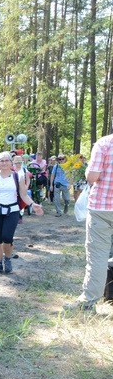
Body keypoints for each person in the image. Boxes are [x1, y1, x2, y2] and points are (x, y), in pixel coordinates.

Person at [64, 134, 113, 312]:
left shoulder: (104, 144)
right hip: (103, 208)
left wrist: (86, 172)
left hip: (103, 207)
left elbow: (92, 177)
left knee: (98, 256)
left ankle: (88, 302)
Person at [0, 151, 44, 274]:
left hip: (12, 210)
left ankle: (7, 258)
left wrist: (32, 204)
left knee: (7, 237)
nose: (3, 163)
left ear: (11, 162)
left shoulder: (18, 176)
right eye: (1, 161)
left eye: (6, 160)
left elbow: (23, 194)